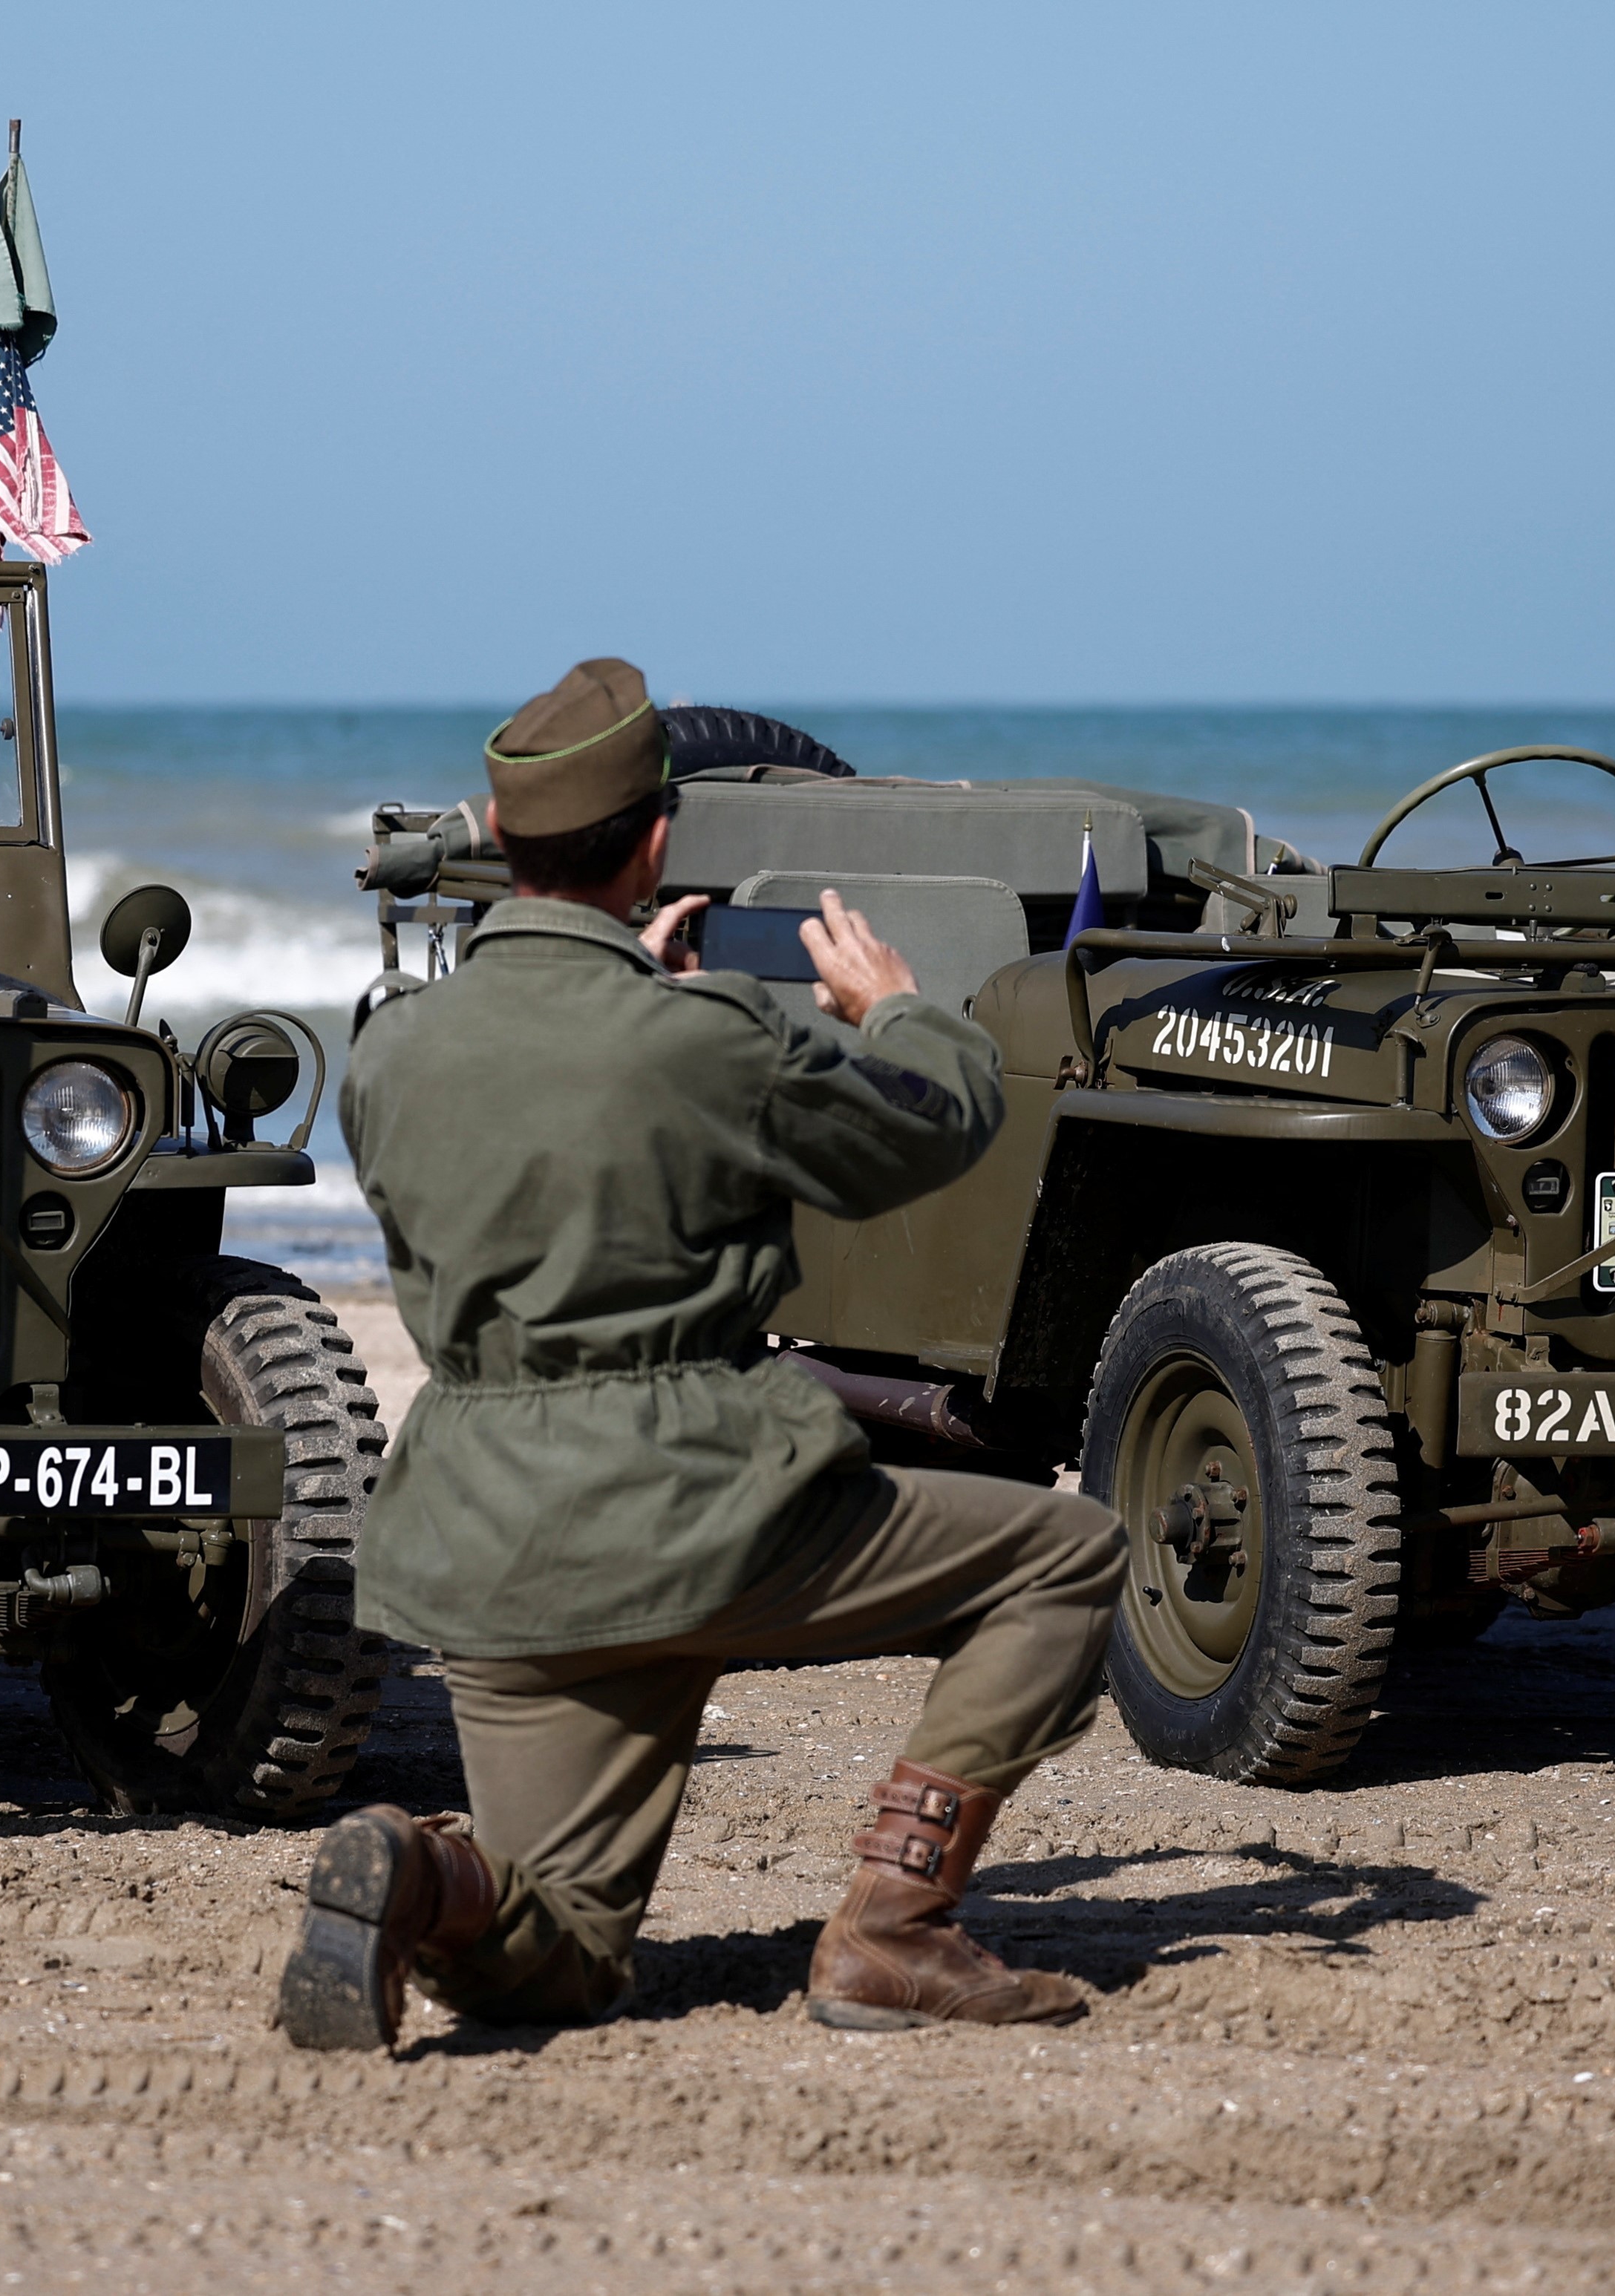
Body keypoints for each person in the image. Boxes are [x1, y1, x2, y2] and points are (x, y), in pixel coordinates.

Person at [277, 657, 1120, 2051]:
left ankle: (421, 1869)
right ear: (658, 843)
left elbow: (551, 1145)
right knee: (1066, 1557)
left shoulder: (392, 1055)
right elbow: (935, 1124)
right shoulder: (707, 1039)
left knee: (555, 1959)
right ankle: (893, 1932)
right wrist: (893, 1006)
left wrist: (644, 1002)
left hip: (492, 1538)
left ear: (496, 838)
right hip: (701, 1509)